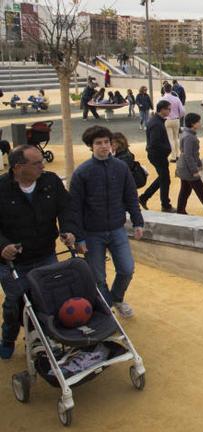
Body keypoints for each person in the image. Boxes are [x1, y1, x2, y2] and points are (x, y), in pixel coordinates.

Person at [0, 145, 76, 359]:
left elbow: (66, 208)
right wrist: (2, 245)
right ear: (18, 168)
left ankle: (42, 338)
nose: (43, 165)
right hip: (13, 262)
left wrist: (69, 230)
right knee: (16, 303)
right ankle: (8, 337)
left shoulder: (50, 181)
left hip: (45, 253)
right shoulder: (1, 189)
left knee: (47, 298)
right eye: (36, 163)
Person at [69, 126, 144, 319]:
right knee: (98, 277)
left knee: (127, 269)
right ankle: (105, 311)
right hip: (92, 233)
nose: (104, 146)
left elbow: (130, 196)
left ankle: (116, 299)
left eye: (106, 142)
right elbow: (75, 208)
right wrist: (79, 237)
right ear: (90, 146)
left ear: (112, 144)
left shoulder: (121, 167)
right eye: (98, 143)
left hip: (117, 229)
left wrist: (138, 221)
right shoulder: (82, 173)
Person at [140, 100, 175, 212]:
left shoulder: (157, 121)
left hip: (158, 154)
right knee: (165, 179)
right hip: (157, 155)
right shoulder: (156, 123)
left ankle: (144, 197)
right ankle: (165, 205)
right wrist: (169, 149)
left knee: (163, 178)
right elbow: (155, 143)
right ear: (162, 109)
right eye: (168, 109)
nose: (170, 111)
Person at [159, 83, 186, 163]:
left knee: (170, 138)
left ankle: (173, 156)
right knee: (176, 138)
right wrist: (178, 116)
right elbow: (182, 111)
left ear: (164, 89)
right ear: (171, 90)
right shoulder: (176, 99)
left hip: (166, 120)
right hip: (176, 119)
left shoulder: (162, 99)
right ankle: (178, 154)